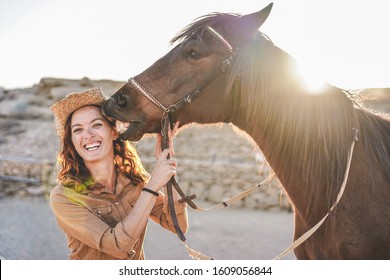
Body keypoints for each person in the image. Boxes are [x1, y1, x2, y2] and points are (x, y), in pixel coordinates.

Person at [49, 87, 188, 260]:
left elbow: (178, 225)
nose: (89, 135)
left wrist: (166, 164)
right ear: (73, 142)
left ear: (113, 132)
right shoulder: (64, 196)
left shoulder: (135, 182)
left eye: (96, 125)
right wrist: (152, 186)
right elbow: (117, 245)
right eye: (78, 130)